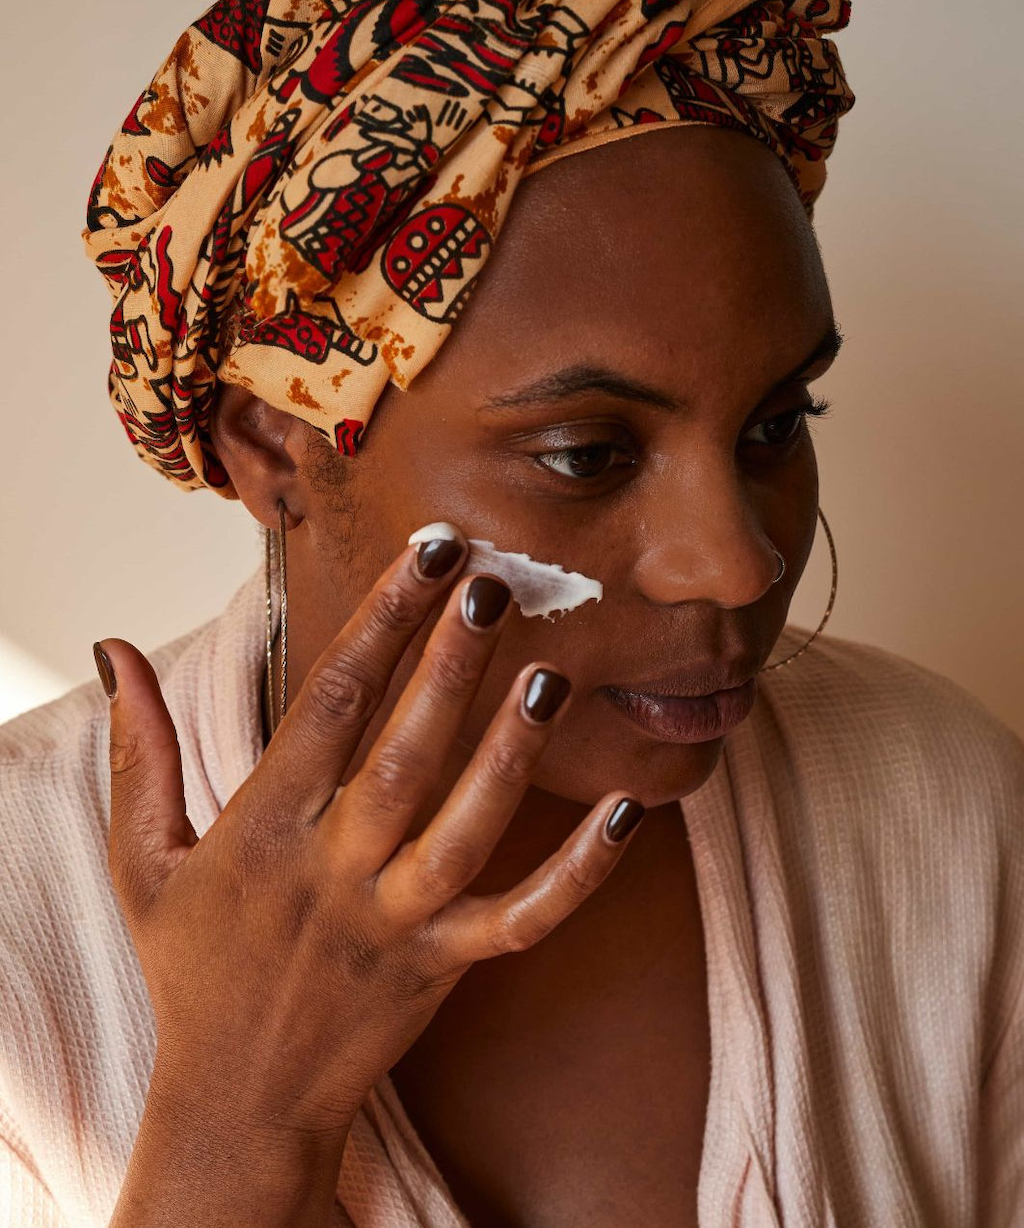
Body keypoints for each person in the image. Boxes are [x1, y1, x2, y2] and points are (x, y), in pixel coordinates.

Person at [1, 0, 1021, 1225]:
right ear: (273, 444)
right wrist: (237, 1121)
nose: (738, 565)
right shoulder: (22, 926)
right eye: (586, 453)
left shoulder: (945, 814)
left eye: (772, 425)